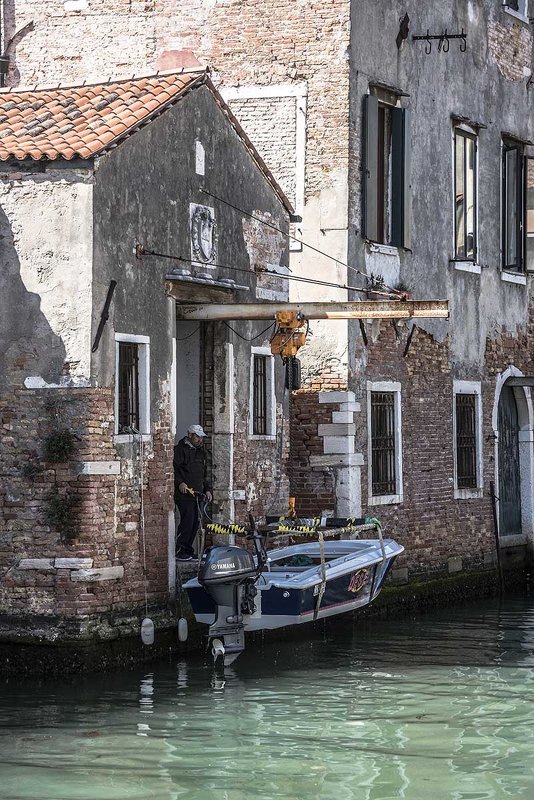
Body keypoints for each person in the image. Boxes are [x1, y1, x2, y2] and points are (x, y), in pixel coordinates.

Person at [174, 424, 212, 561]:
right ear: (190, 435)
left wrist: (207, 489)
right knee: (187, 522)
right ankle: (180, 550)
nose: (199, 440)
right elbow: (175, 468)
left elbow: (206, 473)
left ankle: (188, 550)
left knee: (196, 523)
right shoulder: (179, 450)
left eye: (201, 437)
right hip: (184, 494)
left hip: (198, 494)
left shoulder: (202, 452)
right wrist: (180, 483)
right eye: (197, 437)